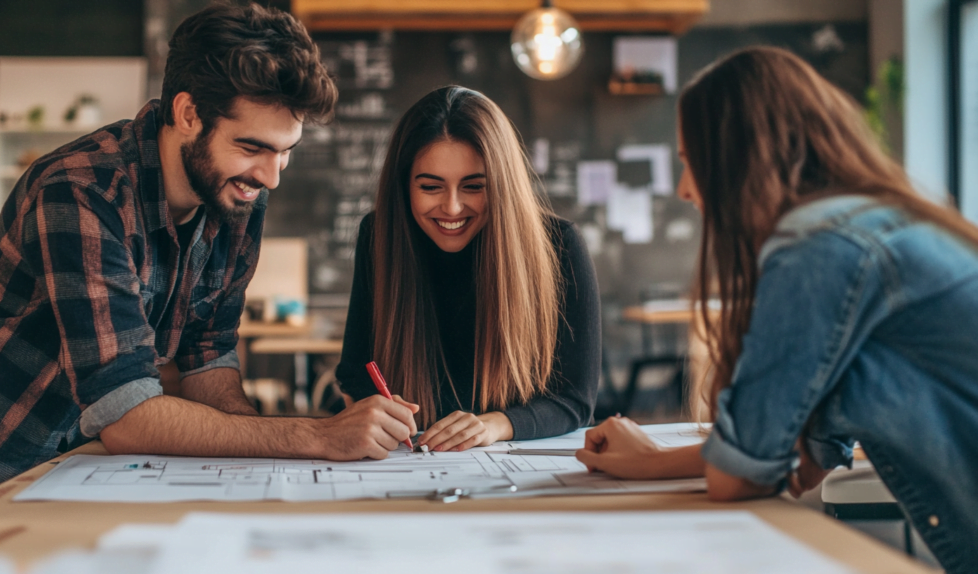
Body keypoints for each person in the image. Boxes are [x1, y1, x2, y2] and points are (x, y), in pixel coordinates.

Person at [0, 3, 419, 502]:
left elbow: (208, 359)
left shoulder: (237, 194)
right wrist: (317, 436)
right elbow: (127, 414)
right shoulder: (81, 192)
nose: (271, 177)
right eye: (253, 147)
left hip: (76, 457)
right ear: (189, 113)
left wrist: (272, 475)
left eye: (286, 151)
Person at [575, 46, 978, 574]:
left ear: (738, 159)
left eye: (690, 161)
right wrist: (650, 458)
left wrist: (654, 460)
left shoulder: (818, 247)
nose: (684, 189)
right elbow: (806, 458)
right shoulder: (869, 221)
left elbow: (741, 478)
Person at [335, 86, 601, 452]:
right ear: (403, 187)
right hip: (410, 464)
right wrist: (376, 413)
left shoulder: (560, 245)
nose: (453, 208)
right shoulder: (379, 236)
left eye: (474, 186)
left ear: (502, 187)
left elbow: (575, 400)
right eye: (431, 186)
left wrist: (494, 425)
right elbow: (356, 374)